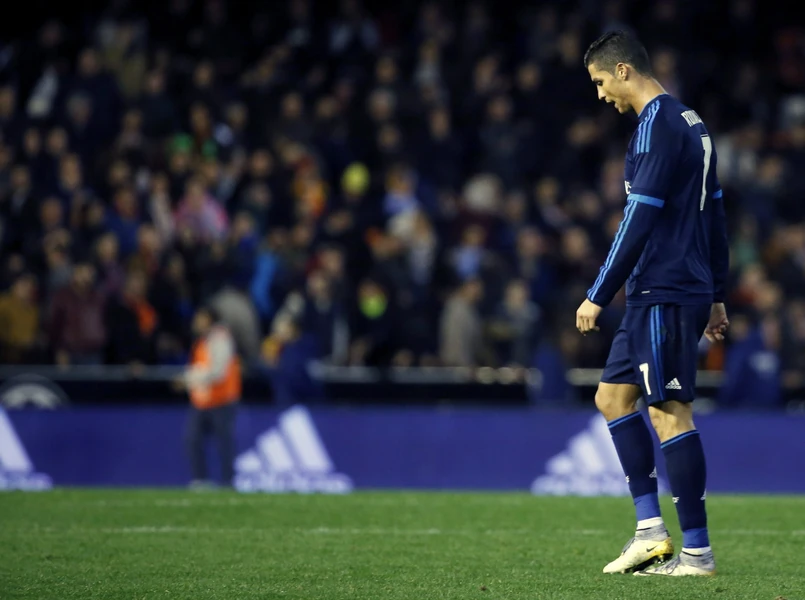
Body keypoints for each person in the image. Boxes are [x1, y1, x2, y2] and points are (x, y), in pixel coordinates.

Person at [575, 31, 729, 577]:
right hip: (663, 290)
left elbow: (637, 220)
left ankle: (697, 553)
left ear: (623, 70)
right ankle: (649, 533)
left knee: (668, 414)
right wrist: (717, 294)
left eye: (600, 82)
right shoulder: (692, 123)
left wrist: (597, 293)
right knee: (612, 398)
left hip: (665, 289)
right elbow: (715, 216)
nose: (600, 95)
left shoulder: (656, 127)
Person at [174, 306, 241, 489]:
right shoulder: (203, 340)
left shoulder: (220, 339)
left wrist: (188, 378)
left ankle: (228, 482)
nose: (196, 322)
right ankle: (200, 480)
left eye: (200, 318)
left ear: (210, 320)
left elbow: (218, 372)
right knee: (192, 439)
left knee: (224, 444)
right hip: (202, 401)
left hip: (222, 400)